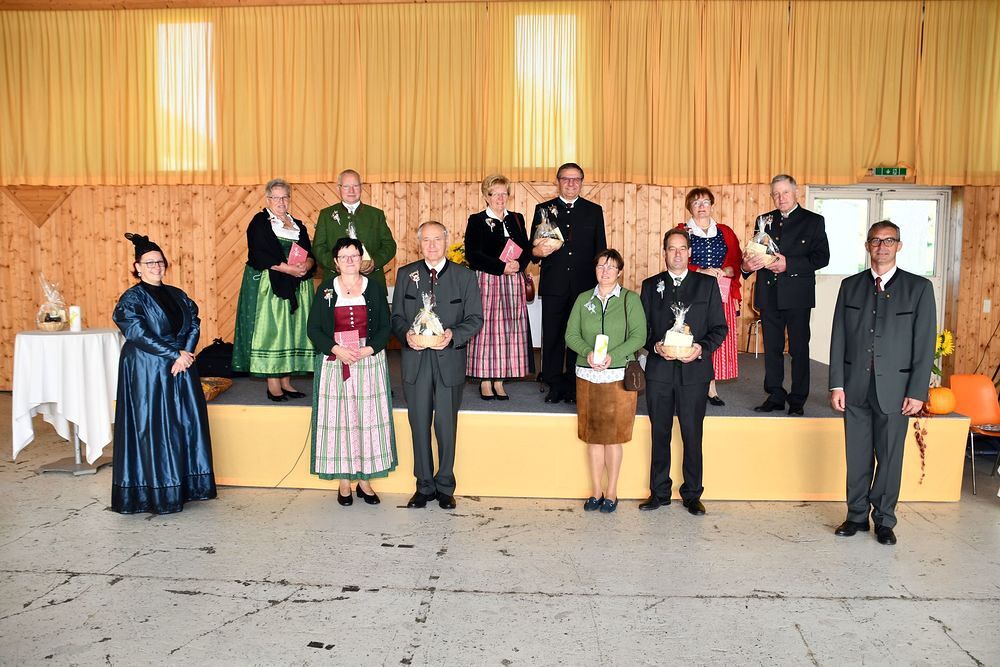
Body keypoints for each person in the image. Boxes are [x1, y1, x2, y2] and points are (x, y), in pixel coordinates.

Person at [829, 221, 936, 546]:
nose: (882, 247)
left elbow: (925, 343)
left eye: (889, 241)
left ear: (899, 246)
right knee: (857, 456)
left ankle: (885, 520)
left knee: (889, 458)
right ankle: (856, 516)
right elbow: (839, 337)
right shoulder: (850, 286)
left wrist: (917, 391)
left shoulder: (919, 288)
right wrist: (837, 384)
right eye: (876, 241)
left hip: (897, 391)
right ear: (867, 246)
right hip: (855, 387)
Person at [111, 233, 216, 514]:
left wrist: (186, 353)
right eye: (149, 263)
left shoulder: (177, 294)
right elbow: (136, 332)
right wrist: (174, 354)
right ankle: (158, 491)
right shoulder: (131, 298)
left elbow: (194, 322)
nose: (156, 267)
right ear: (137, 267)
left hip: (180, 366)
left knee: (184, 423)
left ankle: (187, 485)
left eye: (160, 262)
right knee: (154, 427)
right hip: (148, 368)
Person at [391, 221, 483, 510]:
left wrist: (454, 335)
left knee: (445, 424)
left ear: (446, 241)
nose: (432, 245)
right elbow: (396, 317)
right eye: (426, 240)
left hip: (449, 359)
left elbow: (475, 319)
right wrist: (406, 335)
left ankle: (445, 486)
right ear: (419, 243)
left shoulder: (464, 276)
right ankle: (423, 486)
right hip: (415, 359)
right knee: (419, 423)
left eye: (437, 239)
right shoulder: (406, 274)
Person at [640, 228, 728, 516]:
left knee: (692, 434)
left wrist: (701, 348)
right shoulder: (650, 285)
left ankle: (692, 494)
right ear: (664, 253)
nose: (677, 254)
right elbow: (642, 330)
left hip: (695, 372)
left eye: (682, 248)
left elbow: (720, 328)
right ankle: (659, 492)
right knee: (660, 433)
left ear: (690, 252)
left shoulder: (707, 285)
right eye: (671, 248)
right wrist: (655, 346)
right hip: (660, 372)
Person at [307, 238, 397, 507]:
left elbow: (385, 326)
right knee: (340, 420)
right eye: (344, 256)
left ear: (361, 259)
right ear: (335, 262)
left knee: (367, 419)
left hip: (368, 360)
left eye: (354, 256)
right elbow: (314, 329)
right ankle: (344, 481)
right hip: (337, 361)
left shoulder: (374, 288)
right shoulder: (326, 289)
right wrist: (336, 349)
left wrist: (369, 349)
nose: (349, 261)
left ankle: (365, 479)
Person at [564, 250, 646, 513]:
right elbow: (570, 334)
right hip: (587, 375)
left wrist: (613, 356)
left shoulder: (630, 300)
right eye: (601, 266)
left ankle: (612, 492)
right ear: (595, 269)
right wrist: (587, 352)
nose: (606, 271)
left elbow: (639, 336)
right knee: (593, 437)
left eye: (611, 267)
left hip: (617, 376)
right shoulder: (582, 299)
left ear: (620, 271)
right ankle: (596, 491)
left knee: (613, 438)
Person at [741, 174, 830, 416]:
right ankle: (775, 395)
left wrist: (788, 264)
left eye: (785, 193)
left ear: (795, 192)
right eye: (776, 194)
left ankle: (798, 399)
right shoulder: (764, 220)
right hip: (769, 294)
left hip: (797, 296)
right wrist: (746, 267)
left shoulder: (813, 221)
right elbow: (754, 254)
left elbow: (822, 257)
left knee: (799, 349)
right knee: (772, 348)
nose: (781, 198)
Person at [232, 179, 316, 401]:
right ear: (268, 199)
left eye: (285, 197)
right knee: (274, 331)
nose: (281, 202)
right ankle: (273, 383)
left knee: (291, 330)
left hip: (297, 283)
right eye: (276, 197)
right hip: (271, 284)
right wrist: (289, 269)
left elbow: (310, 253)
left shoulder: (297, 224)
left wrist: (307, 265)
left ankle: (286, 382)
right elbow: (259, 254)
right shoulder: (260, 222)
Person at [531, 162, 607, 404]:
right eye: (566, 178)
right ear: (558, 182)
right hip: (554, 285)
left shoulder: (594, 211)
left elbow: (601, 250)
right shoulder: (543, 209)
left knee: (579, 336)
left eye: (576, 179)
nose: (571, 183)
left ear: (582, 183)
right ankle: (554, 384)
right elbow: (533, 250)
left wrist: (601, 284)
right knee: (553, 336)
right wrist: (537, 251)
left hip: (584, 287)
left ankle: (575, 385)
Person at [464, 174, 532, 400]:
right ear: (486, 196)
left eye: (504, 193)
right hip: (488, 280)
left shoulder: (517, 219)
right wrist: (501, 267)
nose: (501, 198)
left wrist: (519, 265)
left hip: (513, 282)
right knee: (486, 330)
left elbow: (526, 249)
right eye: (495, 194)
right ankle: (485, 380)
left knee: (510, 330)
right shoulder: (477, 220)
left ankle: (500, 380)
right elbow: (473, 255)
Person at [679, 187, 742, 406]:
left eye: (706, 202)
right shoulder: (682, 231)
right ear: (690, 207)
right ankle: (690, 384)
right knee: (692, 335)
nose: (702, 206)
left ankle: (711, 388)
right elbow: (676, 260)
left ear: (712, 205)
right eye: (696, 203)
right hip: (693, 291)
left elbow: (736, 261)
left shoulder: (725, 231)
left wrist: (728, 270)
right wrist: (699, 270)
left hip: (721, 292)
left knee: (716, 337)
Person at [313, 169, 397, 287]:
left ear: (361, 187)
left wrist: (374, 262)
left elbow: (389, 245)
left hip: (371, 281)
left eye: (355, 186)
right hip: (335, 281)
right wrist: (334, 263)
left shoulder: (376, 215)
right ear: (338, 188)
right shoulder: (326, 215)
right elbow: (318, 247)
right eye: (346, 186)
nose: (351, 191)